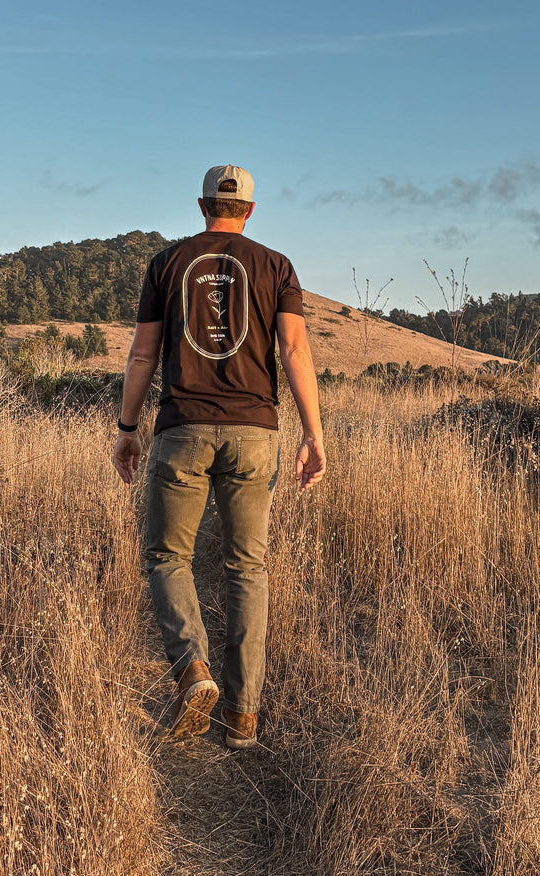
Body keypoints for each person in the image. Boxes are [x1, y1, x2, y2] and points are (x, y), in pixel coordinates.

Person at [112, 164, 325, 749]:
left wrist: (128, 427)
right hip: (256, 432)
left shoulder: (167, 263)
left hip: (182, 427)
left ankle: (192, 669)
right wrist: (314, 433)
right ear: (250, 212)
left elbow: (141, 356)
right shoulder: (276, 265)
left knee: (165, 556)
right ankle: (242, 716)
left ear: (201, 205)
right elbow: (296, 348)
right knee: (246, 569)